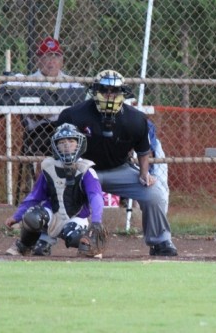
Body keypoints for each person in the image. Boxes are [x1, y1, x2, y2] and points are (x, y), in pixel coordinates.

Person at [56, 69, 178, 256]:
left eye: (115, 91)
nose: (110, 95)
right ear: (95, 91)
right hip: (84, 170)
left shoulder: (135, 119)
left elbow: (143, 150)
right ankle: (41, 240)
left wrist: (144, 173)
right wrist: (67, 172)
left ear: (123, 93)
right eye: (104, 90)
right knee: (53, 186)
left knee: (153, 194)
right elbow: (59, 146)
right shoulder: (75, 115)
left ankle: (160, 241)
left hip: (118, 169)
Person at [4, 123, 105, 257]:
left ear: (79, 144)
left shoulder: (86, 170)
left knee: (77, 239)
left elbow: (96, 196)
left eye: (71, 141)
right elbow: (35, 196)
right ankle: (24, 246)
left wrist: (97, 220)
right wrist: (17, 216)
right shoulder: (49, 167)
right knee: (32, 217)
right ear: (55, 146)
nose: (67, 145)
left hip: (76, 217)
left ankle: (90, 246)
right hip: (52, 214)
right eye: (62, 142)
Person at [2, 36, 83, 155]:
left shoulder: (71, 83)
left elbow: (84, 97)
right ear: (38, 60)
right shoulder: (28, 81)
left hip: (68, 129)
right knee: (49, 142)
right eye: (46, 56)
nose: (51, 61)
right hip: (40, 130)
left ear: (62, 61)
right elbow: (5, 87)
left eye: (55, 56)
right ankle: (45, 172)